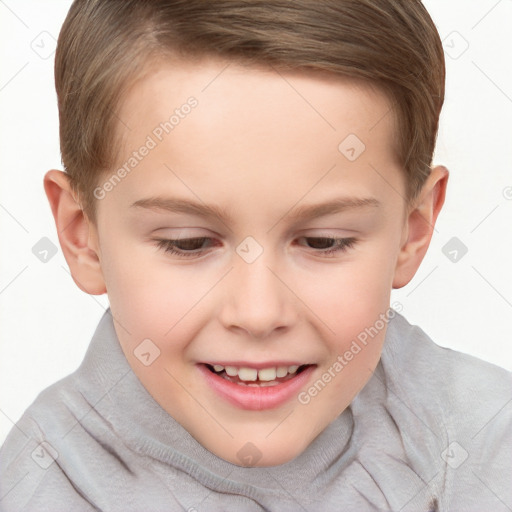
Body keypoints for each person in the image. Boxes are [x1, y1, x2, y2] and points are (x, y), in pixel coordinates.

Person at [1, 1, 511, 510]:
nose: (259, 313)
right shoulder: (40, 486)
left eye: (324, 241)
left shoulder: (484, 438)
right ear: (80, 235)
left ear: (412, 232)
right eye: (188, 242)